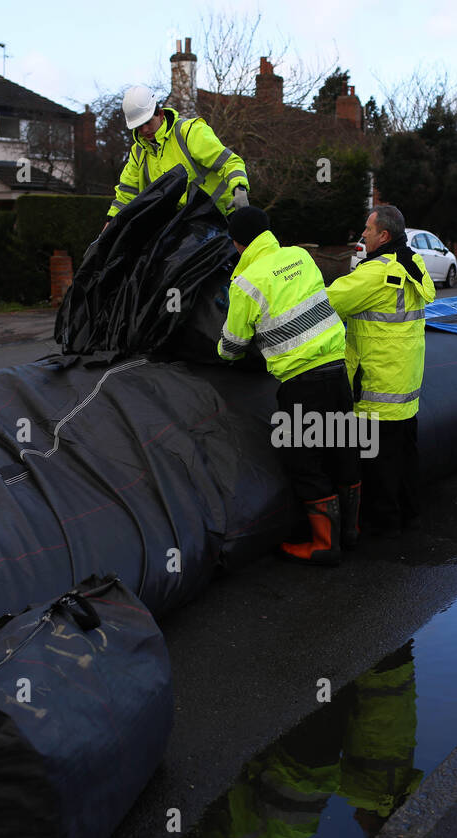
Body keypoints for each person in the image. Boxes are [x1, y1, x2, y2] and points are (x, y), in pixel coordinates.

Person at [217, 206, 359, 566]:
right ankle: (351, 532)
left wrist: (221, 348)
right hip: (336, 369)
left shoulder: (244, 283)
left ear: (237, 244)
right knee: (342, 448)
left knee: (304, 460)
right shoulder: (300, 256)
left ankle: (325, 546)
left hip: (301, 383)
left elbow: (233, 348)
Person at [326, 205, 435, 538]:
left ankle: (383, 527)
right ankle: (410, 516)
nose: (363, 235)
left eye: (368, 230)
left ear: (384, 235)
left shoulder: (374, 273)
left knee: (378, 464)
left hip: (375, 386)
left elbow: (327, 303)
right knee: (404, 456)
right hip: (405, 383)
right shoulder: (412, 261)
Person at [107, 85, 249, 221]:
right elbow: (126, 192)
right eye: (139, 126)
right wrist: (111, 222)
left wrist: (239, 188)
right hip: (181, 228)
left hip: (220, 217)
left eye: (148, 122)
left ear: (161, 114)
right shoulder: (138, 152)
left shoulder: (189, 132)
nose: (144, 130)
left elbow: (228, 162)